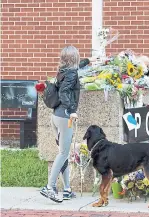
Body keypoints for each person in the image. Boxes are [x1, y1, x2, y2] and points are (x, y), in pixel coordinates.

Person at [40, 46, 94, 203]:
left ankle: (67, 189)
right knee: (63, 154)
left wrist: (88, 61)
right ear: (74, 58)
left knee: (63, 153)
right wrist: (72, 111)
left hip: (56, 116)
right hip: (65, 117)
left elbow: (74, 71)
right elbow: (64, 92)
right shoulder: (71, 74)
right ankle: (49, 187)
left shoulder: (63, 70)